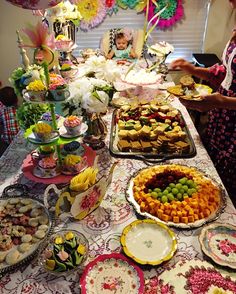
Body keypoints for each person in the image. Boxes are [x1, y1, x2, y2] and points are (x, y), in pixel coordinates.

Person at [170, 0, 236, 201]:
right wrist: (193, 70)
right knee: (214, 165)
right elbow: (227, 72)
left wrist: (220, 102)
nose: (230, 3)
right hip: (222, 114)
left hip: (231, 117)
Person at [0, 87, 19, 154]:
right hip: (19, 138)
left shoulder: (2, 111)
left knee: (2, 134)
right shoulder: (19, 110)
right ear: (16, 99)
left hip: (8, 140)